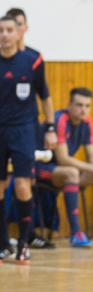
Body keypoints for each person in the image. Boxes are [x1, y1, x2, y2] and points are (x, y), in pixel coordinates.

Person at [0, 15, 56, 264]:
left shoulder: (33, 61)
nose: (5, 34)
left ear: (19, 33)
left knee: (21, 185)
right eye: (1, 30)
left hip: (24, 129)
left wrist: (50, 127)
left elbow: (45, 97)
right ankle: (1, 244)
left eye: (10, 30)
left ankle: (24, 244)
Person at [34, 87, 93, 247]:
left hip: (61, 172)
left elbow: (91, 153)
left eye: (87, 106)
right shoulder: (60, 120)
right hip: (41, 168)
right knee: (72, 173)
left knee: (77, 173)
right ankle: (75, 233)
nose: (83, 110)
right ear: (69, 105)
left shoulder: (87, 123)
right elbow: (63, 159)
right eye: (79, 105)